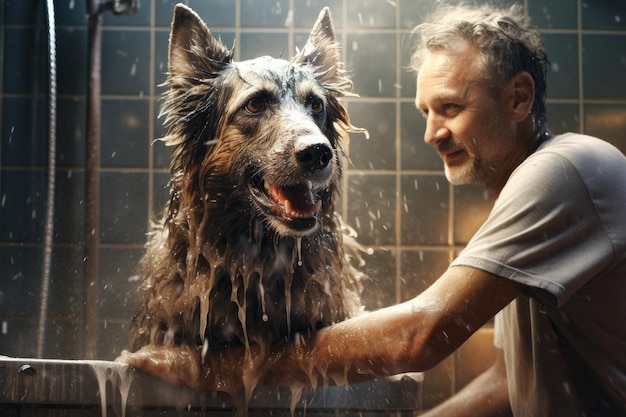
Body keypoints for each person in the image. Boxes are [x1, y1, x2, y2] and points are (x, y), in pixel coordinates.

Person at [124, 4, 626, 416]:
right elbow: (508, 381)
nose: (431, 134)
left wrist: (218, 370)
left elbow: (417, 337)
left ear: (518, 99)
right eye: (425, 112)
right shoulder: (544, 185)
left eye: (450, 107)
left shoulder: (562, 172)